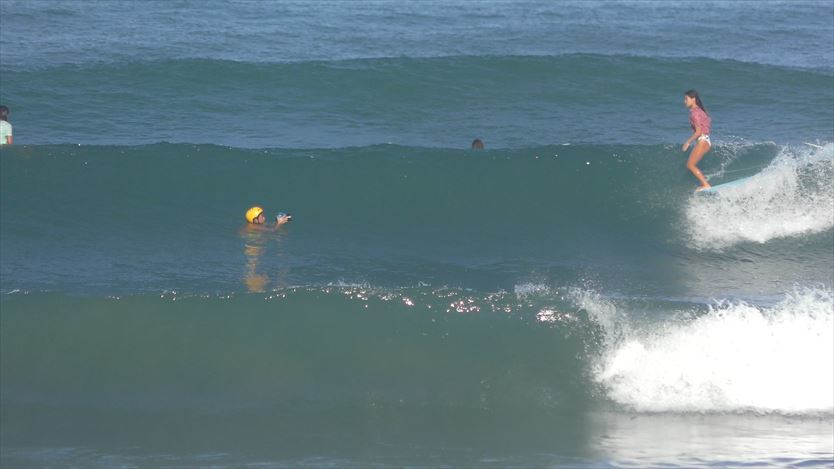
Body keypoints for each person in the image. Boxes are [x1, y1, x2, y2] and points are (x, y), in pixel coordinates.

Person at [682, 90, 712, 191]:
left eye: (686, 99)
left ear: (693, 99)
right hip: (706, 140)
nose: (684, 101)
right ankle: (704, 184)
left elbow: (698, 132)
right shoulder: (701, 111)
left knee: (690, 165)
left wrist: (688, 142)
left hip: (702, 140)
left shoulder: (694, 113)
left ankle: (705, 184)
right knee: (691, 164)